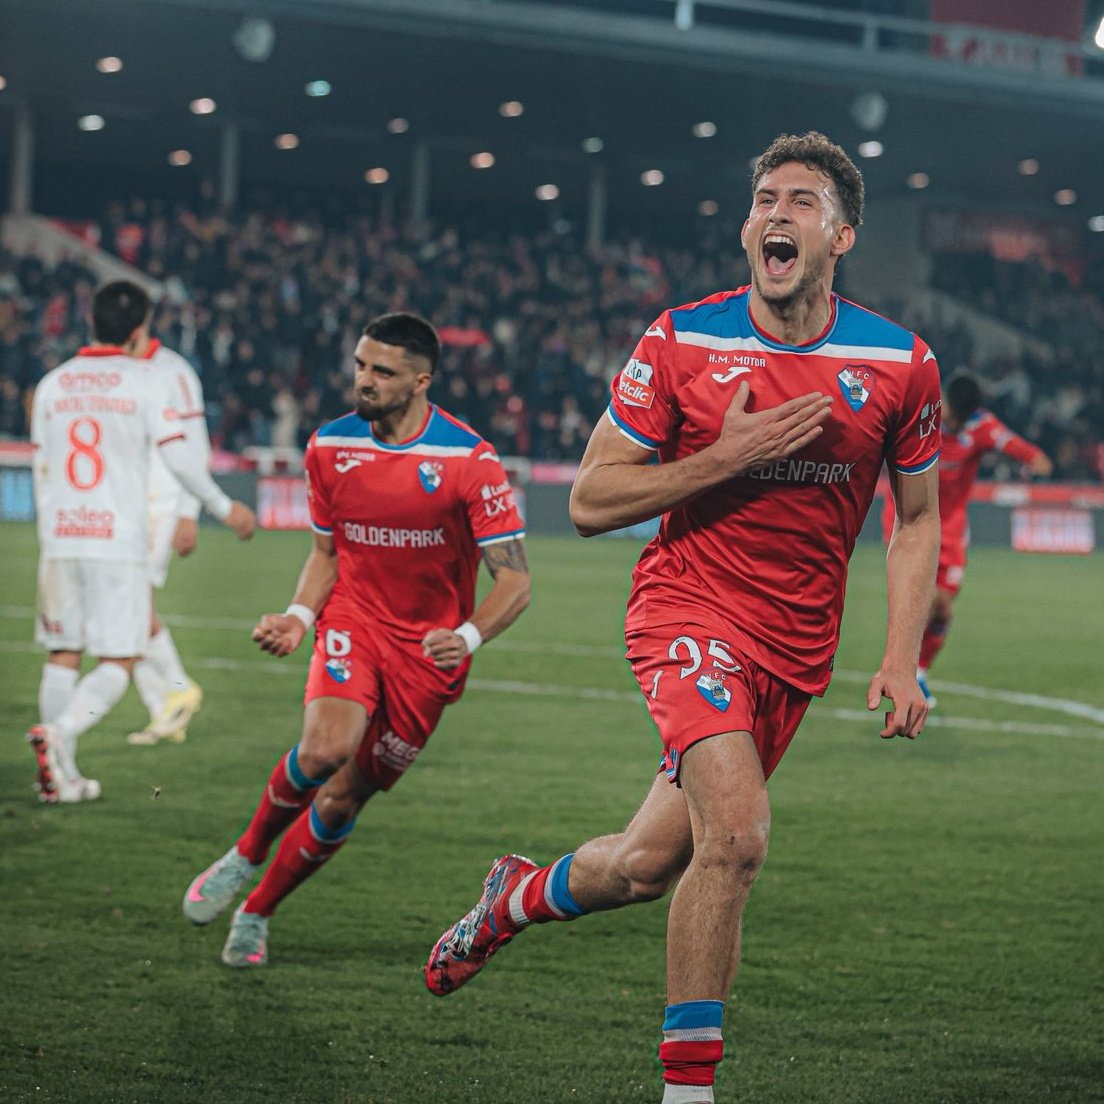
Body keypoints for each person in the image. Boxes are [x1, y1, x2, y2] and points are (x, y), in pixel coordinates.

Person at [424, 132, 942, 1104]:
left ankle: (513, 900)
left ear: (842, 236)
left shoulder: (901, 364)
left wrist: (902, 657)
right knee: (738, 835)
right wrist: (723, 457)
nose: (775, 216)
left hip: (792, 655)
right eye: (764, 201)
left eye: (800, 202)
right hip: (686, 612)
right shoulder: (680, 342)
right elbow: (587, 501)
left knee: (644, 867)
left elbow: (917, 520)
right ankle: (688, 1093)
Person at [181, 311, 530, 968]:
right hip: (355, 622)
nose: (364, 380)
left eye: (383, 371)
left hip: (428, 656)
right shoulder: (328, 447)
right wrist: (298, 617)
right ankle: (243, 856)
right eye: (360, 366)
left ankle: (257, 911)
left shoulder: (468, 460)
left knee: (344, 797)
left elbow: (514, 581)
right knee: (325, 748)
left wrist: (468, 634)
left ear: (421, 380)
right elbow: (326, 554)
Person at [28, 280, 256, 803]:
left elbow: (43, 465)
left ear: (91, 323)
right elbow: (180, 459)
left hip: (61, 537)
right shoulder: (145, 383)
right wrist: (222, 506)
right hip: (117, 539)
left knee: (62, 652)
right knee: (120, 660)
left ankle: (60, 776)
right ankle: (62, 734)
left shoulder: (52, 384)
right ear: (139, 330)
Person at [881, 371, 1051, 705]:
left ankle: (919, 672)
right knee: (925, 599)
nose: (954, 423)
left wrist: (1028, 467)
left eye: (960, 419)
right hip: (909, 520)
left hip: (952, 529)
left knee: (942, 611)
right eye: (952, 415)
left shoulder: (984, 429)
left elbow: (1036, 459)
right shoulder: (921, 413)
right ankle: (901, 670)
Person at [126, 337, 215, 745]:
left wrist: (188, 511)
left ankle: (178, 688)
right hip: (121, 501)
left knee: (129, 602)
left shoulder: (174, 370)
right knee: (123, 611)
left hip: (158, 500)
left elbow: (194, 444)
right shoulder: (110, 365)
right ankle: (164, 710)